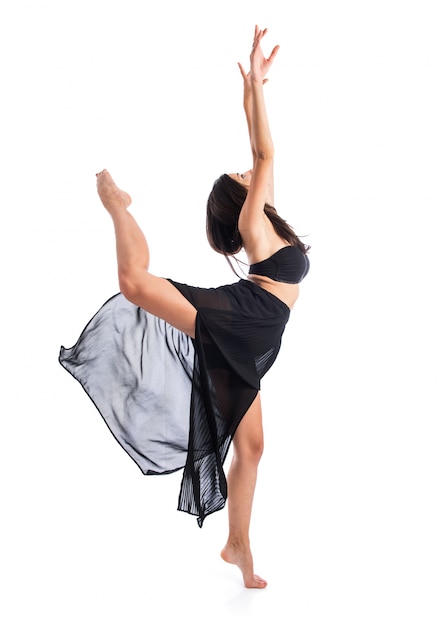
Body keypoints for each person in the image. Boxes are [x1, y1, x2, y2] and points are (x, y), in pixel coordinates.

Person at [59, 26, 310, 589]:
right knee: (135, 284)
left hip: (249, 342)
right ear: (239, 201)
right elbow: (265, 151)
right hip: (237, 320)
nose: (252, 176)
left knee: (253, 448)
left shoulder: (265, 226)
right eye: (243, 180)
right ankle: (117, 205)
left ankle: (238, 546)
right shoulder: (252, 225)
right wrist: (259, 97)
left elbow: (257, 150)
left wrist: (253, 86)